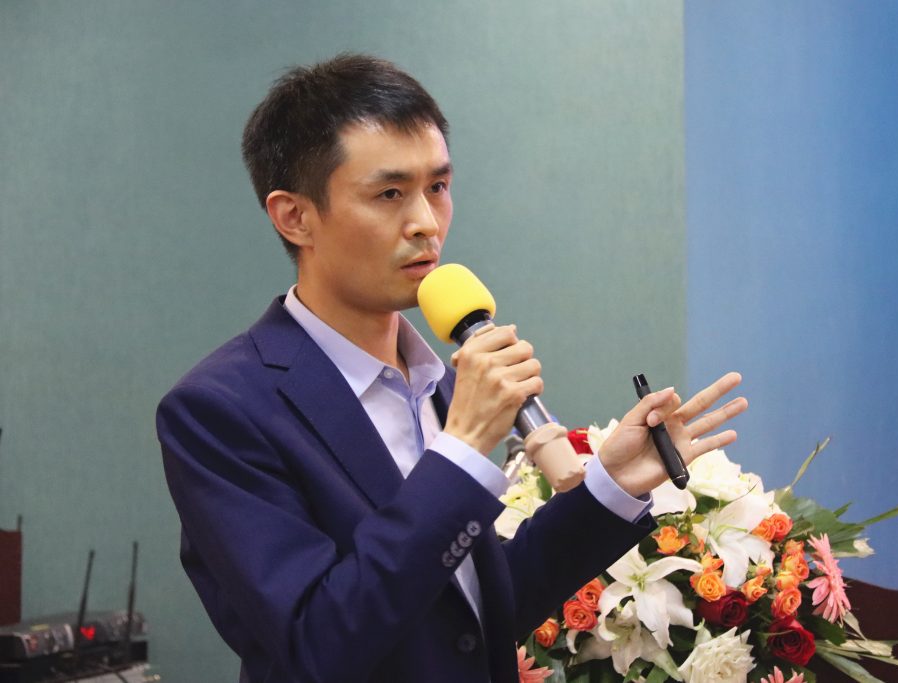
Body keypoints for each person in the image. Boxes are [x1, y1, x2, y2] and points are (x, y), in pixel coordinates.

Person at [156, 53, 747, 683]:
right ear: (294, 217)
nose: (426, 224)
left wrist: (611, 485)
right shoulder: (220, 409)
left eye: (437, 187)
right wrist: (462, 449)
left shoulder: (435, 380)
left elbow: (472, 617)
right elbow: (318, 643)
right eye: (389, 194)